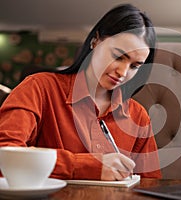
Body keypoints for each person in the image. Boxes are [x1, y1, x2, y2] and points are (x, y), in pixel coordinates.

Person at [0, 4, 162, 181]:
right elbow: (4, 153)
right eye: (118, 56)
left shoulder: (138, 116)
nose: (123, 73)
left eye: (134, 66)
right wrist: (86, 167)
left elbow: (151, 185)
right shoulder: (39, 88)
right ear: (95, 40)